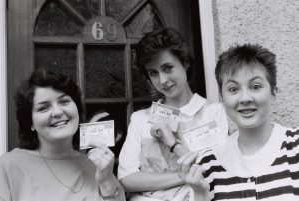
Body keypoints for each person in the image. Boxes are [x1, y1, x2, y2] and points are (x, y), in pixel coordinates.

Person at [118, 27, 229, 201]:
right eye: (153, 73)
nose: (162, 80)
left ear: (185, 62)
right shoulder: (140, 119)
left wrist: (173, 144)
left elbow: (214, 172)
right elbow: (127, 179)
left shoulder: (212, 112)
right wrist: (183, 176)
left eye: (168, 68)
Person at [178, 44, 299, 200]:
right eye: (233, 89)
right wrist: (200, 194)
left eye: (255, 86)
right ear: (222, 97)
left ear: (273, 92)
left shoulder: (295, 146)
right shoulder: (208, 164)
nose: (245, 98)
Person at [0, 69, 126, 201]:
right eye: (43, 108)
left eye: (64, 101)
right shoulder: (8, 165)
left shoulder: (97, 166)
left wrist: (106, 180)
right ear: (30, 123)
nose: (58, 112)